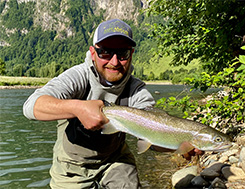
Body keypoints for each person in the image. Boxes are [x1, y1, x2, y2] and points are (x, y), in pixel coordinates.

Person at [23, 19, 202, 189]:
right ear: (93, 53)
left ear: (131, 54)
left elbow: (152, 140)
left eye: (122, 53)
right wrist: (77, 108)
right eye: (105, 52)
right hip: (72, 166)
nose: (114, 62)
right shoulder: (77, 77)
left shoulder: (137, 91)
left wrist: (179, 146)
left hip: (115, 159)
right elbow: (31, 106)